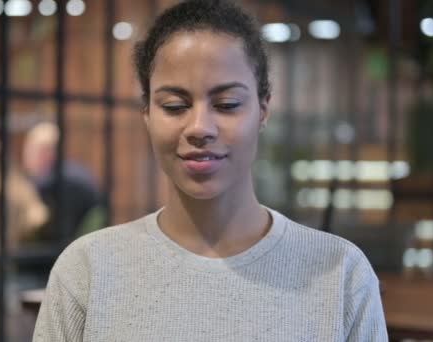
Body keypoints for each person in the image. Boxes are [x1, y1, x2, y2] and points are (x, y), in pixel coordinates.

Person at [33, 1, 388, 341]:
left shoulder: (339, 273)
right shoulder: (88, 270)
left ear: (262, 112)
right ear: (147, 115)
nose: (200, 127)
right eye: (174, 106)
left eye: (227, 104)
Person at [22, 122, 100, 241]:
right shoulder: (67, 174)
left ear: (47, 153)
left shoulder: (60, 182)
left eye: (32, 149)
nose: (26, 155)